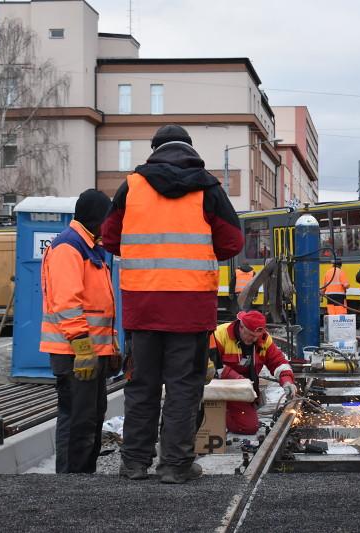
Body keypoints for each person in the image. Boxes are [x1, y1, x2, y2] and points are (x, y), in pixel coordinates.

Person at [102, 124, 243, 484]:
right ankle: (175, 465)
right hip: (191, 307)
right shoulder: (208, 187)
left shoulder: (131, 186)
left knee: (141, 386)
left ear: (154, 150)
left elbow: (109, 237)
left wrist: (143, 250)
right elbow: (232, 241)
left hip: (142, 304)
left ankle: (134, 463)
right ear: (190, 150)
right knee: (183, 387)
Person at [40, 189, 115, 473]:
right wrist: (84, 348)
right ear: (97, 219)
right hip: (75, 353)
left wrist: (111, 347)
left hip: (88, 352)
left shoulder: (90, 247)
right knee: (77, 420)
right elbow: (67, 303)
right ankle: (71, 483)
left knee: (91, 418)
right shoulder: (68, 248)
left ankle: (83, 478)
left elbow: (101, 306)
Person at [211, 311, 297, 434]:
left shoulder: (263, 339)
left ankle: (225, 414)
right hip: (216, 388)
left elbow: (278, 363)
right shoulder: (220, 334)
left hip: (241, 391)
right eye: (251, 335)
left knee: (249, 427)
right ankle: (214, 414)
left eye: (257, 336)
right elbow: (210, 365)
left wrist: (287, 381)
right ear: (241, 327)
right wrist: (237, 378)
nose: (254, 339)